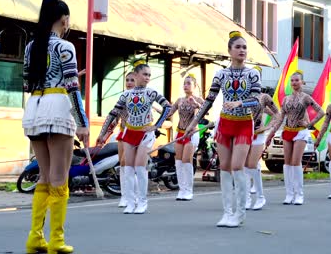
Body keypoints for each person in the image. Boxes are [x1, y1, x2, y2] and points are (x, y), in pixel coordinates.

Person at [22, 0, 89, 254]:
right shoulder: (66, 46)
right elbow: (72, 87)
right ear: (64, 19)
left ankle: (35, 237)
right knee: (60, 179)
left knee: (45, 177)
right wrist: (82, 122)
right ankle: (56, 241)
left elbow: (28, 84)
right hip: (58, 108)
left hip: (35, 109)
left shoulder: (30, 47)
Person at [184, 31, 261, 228]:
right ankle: (227, 213)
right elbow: (209, 100)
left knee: (237, 167)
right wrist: (193, 125)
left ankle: (240, 213)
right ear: (229, 51)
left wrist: (239, 103)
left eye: (245, 47)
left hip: (244, 123)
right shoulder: (221, 74)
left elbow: (256, 99)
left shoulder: (252, 73)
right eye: (238, 47)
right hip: (225, 124)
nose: (242, 50)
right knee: (224, 168)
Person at [98, 59, 171, 214]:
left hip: (145, 133)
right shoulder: (126, 95)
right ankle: (130, 202)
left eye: (149, 75)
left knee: (139, 166)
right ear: (136, 75)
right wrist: (102, 133)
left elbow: (168, 107)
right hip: (129, 132)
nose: (147, 77)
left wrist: (157, 125)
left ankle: (142, 201)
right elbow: (113, 113)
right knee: (128, 168)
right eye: (144, 74)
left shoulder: (151, 92)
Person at [266, 70, 325, 205]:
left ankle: (299, 194)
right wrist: (271, 133)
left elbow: (321, 112)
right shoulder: (286, 99)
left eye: (297, 80)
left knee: (295, 162)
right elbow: (281, 117)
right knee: (287, 163)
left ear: (302, 82)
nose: (294, 83)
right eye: (292, 81)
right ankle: (289, 194)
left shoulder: (306, 97)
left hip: (301, 132)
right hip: (287, 131)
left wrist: (309, 124)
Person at [97, 72, 136, 208]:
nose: (129, 82)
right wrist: (103, 135)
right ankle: (125, 196)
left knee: (131, 164)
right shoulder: (123, 97)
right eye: (127, 80)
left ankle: (133, 195)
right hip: (123, 132)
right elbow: (114, 117)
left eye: (132, 80)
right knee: (123, 164)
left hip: (137, 133)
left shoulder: (142, 96)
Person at [245, 66, 280, 210]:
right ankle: (246, 198)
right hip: (244, 134)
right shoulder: (243, 96)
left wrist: (266, 128)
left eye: (255, 76)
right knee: (244, 167)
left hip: (258, 135)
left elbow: (277, 114)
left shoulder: (264, 97)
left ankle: (260, 197)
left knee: (252, 165)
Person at [167, 73, 204, 201]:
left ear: (195, 86)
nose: (185, 86)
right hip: (180, 132)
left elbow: (205, 112)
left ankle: (188, 190)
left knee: (186, 160)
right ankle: (182, 189)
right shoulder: (179, 100)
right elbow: (169, 113)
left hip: (192, 133)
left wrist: (196, 104)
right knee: (178, 162)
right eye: (184, 83)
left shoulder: (199, 99)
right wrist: (157, 108)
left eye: (188, 83)